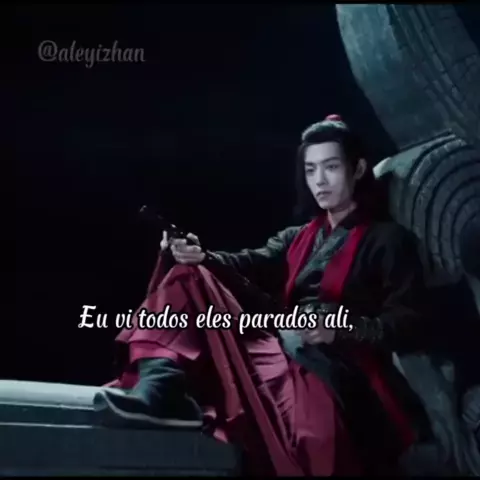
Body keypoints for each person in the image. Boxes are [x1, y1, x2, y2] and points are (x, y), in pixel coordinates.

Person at [94, 114, 429, 476]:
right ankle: (161, 384)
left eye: (331, 167)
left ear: (358, 168)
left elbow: (409, 322)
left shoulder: (387, 240)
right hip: (281, 346)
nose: (319, 180)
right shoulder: (298, 237)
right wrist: (200, 254)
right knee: (188, 275)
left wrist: (339, 330)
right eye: (311, 169)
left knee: (312, 441)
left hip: (336, 365)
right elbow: (247, 263)